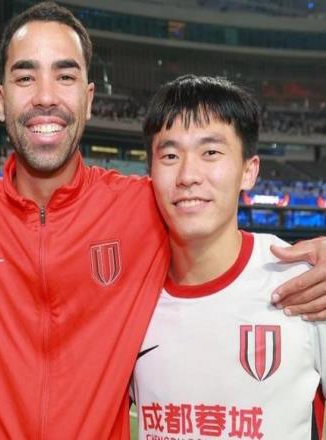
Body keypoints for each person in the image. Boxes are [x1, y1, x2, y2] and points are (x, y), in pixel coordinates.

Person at [0, 2, 326, 439]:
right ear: (1, 100)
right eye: (26, 77)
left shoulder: (145, 205)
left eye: (64, 76)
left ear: (88, 99)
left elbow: (213, 225)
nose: (45, 95)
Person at [131, 75, 325, 439]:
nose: (188, 175)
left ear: (249, 171)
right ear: (149, 173)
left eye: (210, 153)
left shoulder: (306, 285)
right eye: (170, 156)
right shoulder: (126, 298)